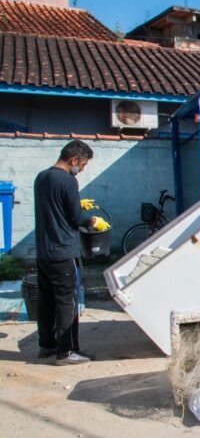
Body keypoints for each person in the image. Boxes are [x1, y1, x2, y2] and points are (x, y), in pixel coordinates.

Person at [34, 140, 110, 365]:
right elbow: (76, 218)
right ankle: (66, 352)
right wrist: (93, 220)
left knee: (46, 300)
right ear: (73, 160)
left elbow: (55, 205)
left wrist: (77, 203)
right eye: (83, 164)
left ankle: (46, 345)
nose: (83, 169)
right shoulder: (68, 181)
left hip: (43, 252)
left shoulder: (42, 177)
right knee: (67, 301)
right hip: (62, 252)